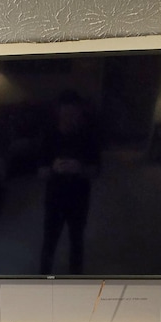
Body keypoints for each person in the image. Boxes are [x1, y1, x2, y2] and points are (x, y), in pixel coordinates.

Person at [38, 91, 100, 274]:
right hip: (54, 198)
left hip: (79, 198)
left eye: (74, 115)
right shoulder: (48, 136)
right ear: (58, 113)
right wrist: (53, 168)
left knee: (77, 239)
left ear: (80, 114)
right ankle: (43, 277)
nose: (69, 120)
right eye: (65, 115)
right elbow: (40, 173)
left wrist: (79, 168)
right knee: (50, 240)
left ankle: (75, 278)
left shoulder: (89, 136)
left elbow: (96, 171)